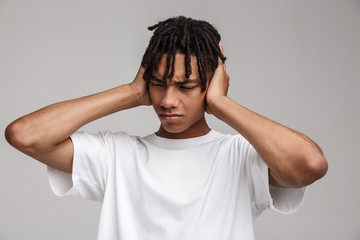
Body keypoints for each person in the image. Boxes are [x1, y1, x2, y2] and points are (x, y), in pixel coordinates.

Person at [5, 16, 328, 240]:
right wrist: (131, 92)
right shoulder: (116, 155)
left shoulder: (242, 156)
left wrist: (221, 104)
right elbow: (26, 135)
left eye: (186, 86)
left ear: (211, 84)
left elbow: (308, 167)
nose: (168, 100)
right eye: (159, 84)